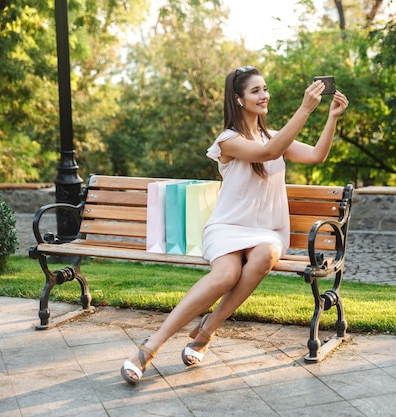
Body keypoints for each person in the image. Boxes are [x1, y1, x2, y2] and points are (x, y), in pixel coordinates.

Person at [120, 66, 349, 385]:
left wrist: (332, 117)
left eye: (265, 89)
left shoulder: (272, 136)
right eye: (255, 91)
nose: (264, 95)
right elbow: (268, 153)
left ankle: (206, 330)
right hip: (227, 226)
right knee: (225, 275)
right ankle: (149, 348)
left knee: (267, 254)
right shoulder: (228, 141)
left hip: (266, 232)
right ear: (238, 99)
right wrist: (305, 108)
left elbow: (316, 156)